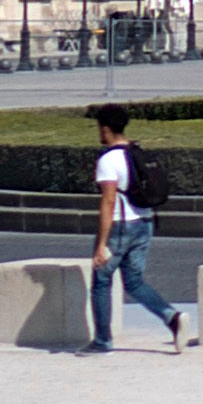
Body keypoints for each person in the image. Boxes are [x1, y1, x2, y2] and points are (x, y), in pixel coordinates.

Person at [81, 104, 190, 351]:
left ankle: (102, 340)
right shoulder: (136, 152)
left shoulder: (108, 160)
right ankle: (171, 317)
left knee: (101, 280)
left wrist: (101, 245)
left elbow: (108, 201)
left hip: (120, 226)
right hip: (144, 222)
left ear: (105, 129)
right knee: (134, 282)